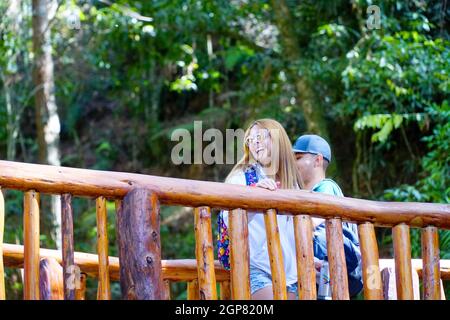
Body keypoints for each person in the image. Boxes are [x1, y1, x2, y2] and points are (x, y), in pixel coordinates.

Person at [217, 119, 303, 300]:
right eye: (250, 139)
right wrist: (254, 196)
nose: (254, 142)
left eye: (260, 136)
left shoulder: (292, 183)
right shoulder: (241, 177)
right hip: (255, 267)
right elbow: (228, 220)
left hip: (290, 273)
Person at [292, 134, 363, 298]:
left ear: (317, 160)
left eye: (298, 157)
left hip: (331, 272)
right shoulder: (307, 192)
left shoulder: (327, 188)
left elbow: (310, 222)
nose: (293, 163)